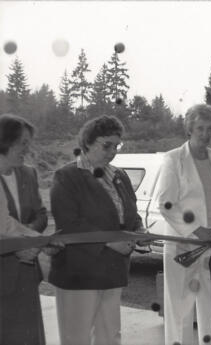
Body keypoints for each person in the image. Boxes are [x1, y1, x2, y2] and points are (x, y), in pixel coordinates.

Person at [49, 115, 144, 345]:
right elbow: (69, 222)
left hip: (112, 272)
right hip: (79, 272)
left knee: (110, 336)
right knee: (77, 337)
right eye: (106, 145)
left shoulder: (119, 175)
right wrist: (111, 242)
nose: (112, 151)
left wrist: (140, 230)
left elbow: (130, 212)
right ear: (88, 142)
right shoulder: (66, 176)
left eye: (116, 146)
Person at [157, 103, 211, 345]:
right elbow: (166, 203)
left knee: (210, 306)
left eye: (210, 128)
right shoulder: (174, 159)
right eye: (200, 128)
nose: (205, 134)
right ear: (190, 128)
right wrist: (196, 230)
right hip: (183, 244)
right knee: (180, 309)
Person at [0, 113, 48, 345]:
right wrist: (30, 240)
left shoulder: (28, 173)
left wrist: (33, 238)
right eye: (23, 143)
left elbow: (8, 222)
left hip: (26, 273)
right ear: (6, 141)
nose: (27, 149)